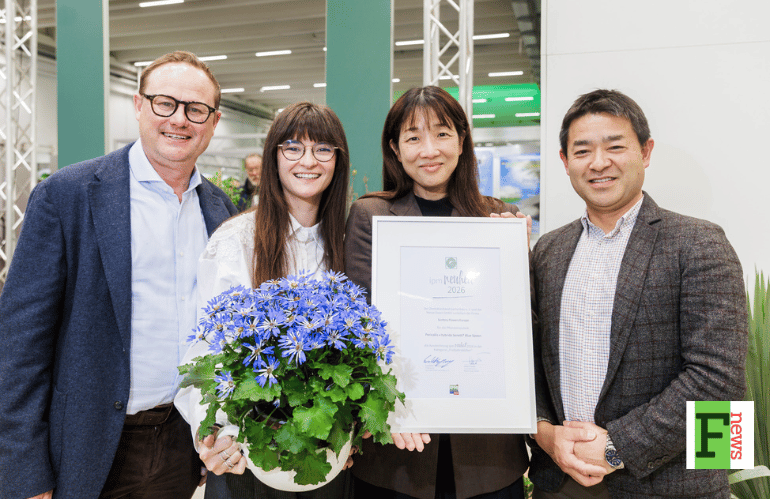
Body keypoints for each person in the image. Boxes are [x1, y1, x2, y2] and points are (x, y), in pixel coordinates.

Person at [0, 51, 238, 499]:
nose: (179, 120)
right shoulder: (68, 195)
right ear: (138, 105)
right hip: (88, 447)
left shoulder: (220, 210)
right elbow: (18, 346)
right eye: (164, 103)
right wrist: (24, 472)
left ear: (213, 120)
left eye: (196, 109)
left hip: (179, 442)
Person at [528, 89, 748, 498]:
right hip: (561, 480)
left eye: (615, 147)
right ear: (564, 161)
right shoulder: (548, 250)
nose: (598, 163)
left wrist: (615, 447)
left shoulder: (699, 243)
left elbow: (720, 380)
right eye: (582, 151)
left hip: (667, 483)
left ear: (645, 152)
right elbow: (532, 362)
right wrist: (546, 435)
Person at [344, 86, 530, 499]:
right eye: (413, 137)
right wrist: (390, 404)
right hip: (399, 448)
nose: (429, 149)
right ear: (395, 148)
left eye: (442, 134)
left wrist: (520, 260)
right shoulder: (371, 215)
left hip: (486, 451)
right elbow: (360, 327)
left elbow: (517, 324)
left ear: (462, 141)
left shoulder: (498, 217)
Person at [175, 101, 352, 499]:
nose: (308, 160)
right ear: (274, 157)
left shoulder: (347, 239)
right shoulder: (237, 240)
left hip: (327, 461)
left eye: (323, 149)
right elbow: (203, 348)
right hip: (247, 455)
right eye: (292, 147)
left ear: (338, 161)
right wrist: (216, 432)